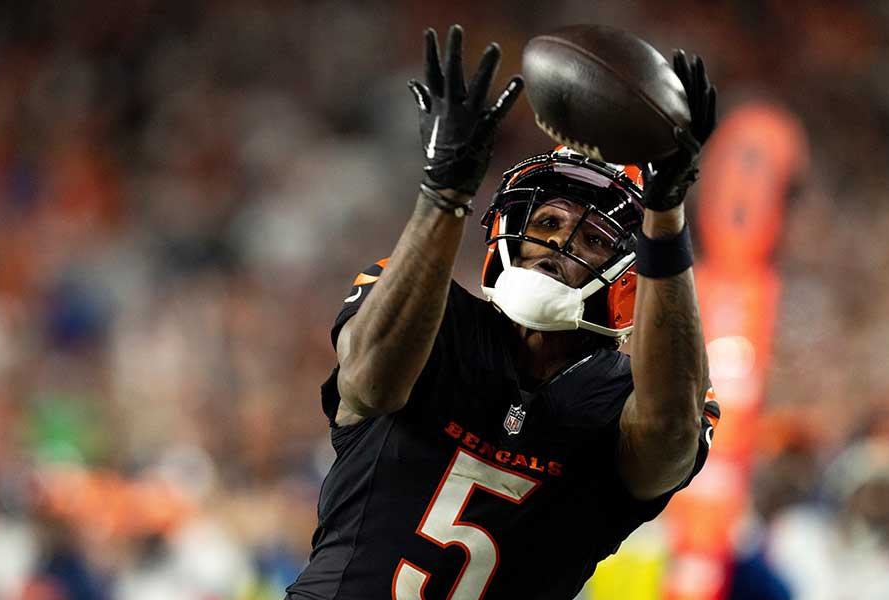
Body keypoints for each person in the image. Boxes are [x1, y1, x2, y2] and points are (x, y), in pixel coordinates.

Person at [287, 25, 719, 600]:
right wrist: (444, 191)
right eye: (546, 223)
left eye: (592, 238)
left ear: (634, 281)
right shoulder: (430, 310)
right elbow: (367, 380)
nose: (558, 245)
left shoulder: (640, 392)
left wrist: (666, 218)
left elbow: (665, 442)